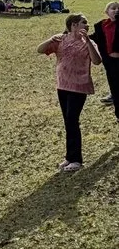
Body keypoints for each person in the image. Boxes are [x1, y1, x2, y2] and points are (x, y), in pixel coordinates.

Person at [41, 14, 102, 172]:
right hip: (63, 86)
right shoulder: (62, 40)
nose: (87, 25)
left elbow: (97, 61)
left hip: (79, 86)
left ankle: (76, 160)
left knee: (72, 120)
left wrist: (88, 41)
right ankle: (69, 157)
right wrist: (51, 39)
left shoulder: (89, 42)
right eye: (84, 22)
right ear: (74, 25)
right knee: (68, 122)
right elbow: (40, 49)